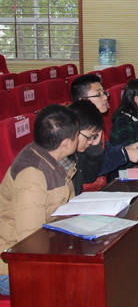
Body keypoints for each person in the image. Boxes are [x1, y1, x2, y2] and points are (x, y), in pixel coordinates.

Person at [0, 105, 80, 295]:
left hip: (44, 249)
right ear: (66, 143)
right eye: (78, 135)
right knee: (77, 284)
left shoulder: (54, 160)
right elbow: (30, 240)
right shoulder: (31, 174)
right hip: (10, 267)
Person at [70, 74, 138, 189]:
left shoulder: (95, 124)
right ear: (82, 101)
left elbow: (107, 151)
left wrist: (126, 148)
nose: (105, 98)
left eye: (104, 93)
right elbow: (92, 168)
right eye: (98, 94)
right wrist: (125, 154)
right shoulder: (78, 129)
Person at [67, 100, 107, 195]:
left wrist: (95, 147)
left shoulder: (78, 152)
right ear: (75, 130)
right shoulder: (61, 156)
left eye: (94, 137)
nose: (90, 142)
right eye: (89, 137)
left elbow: (89, 178)